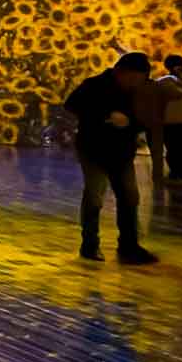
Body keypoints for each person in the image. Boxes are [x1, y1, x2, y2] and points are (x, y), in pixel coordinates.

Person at [63, 52, 159, 264]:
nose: (135, 83)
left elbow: (147, 118)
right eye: (134, 78)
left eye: (140, 79)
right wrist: (105, 115)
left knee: (129, 197)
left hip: (122, 152)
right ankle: (89, 245)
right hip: (93, 149)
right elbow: (71, 105)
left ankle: (129, 246)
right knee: (94, 196)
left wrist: (130, 122)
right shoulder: (94, 85)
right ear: (121, 72)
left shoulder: (140, 91)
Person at [156, 54, 182, 183]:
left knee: (175, 149)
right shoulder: (170, 81)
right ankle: (179, 174)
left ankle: (178, 174)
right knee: (180, 149)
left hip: (173, 120)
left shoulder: (164, 81)